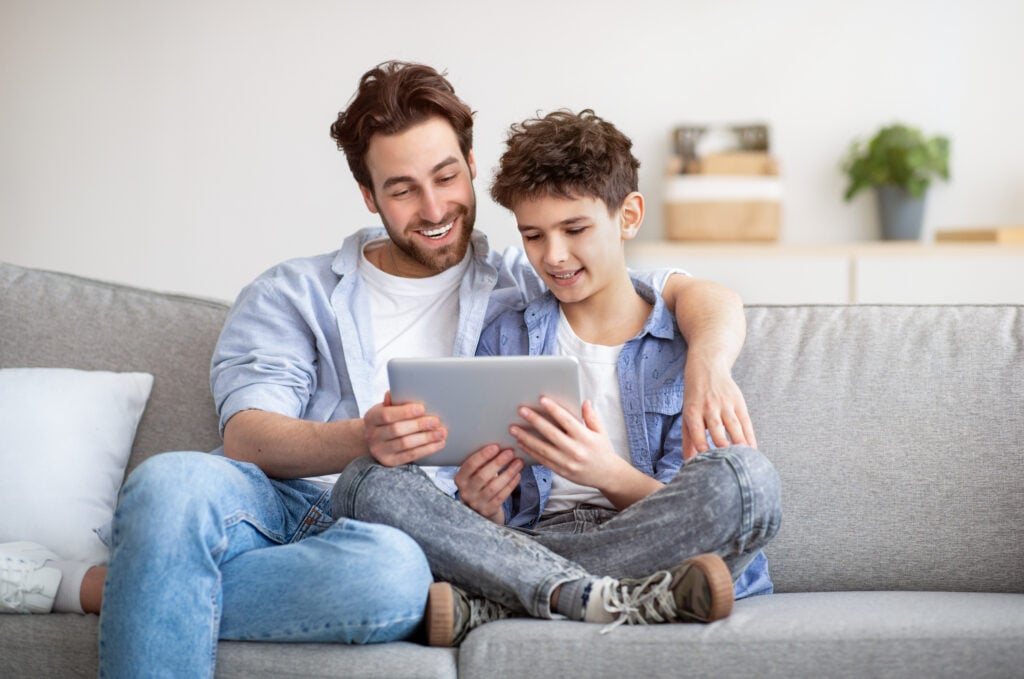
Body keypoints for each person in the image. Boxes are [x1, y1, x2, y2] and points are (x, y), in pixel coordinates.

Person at [3, 61, 757, 673]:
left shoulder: (528, 283)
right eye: (401, 188)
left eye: (445, 176)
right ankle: (127, 579)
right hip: (281, 505)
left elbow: (690, 296)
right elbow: (247, 436)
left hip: (409, 543)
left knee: (395, 577)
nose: (432, 207)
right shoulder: (292, 290)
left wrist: (709, 366)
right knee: (169, 479)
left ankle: (106, 585)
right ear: (369, 194)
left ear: (469, 166)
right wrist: (360, 437)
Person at [329, 107, 781, 642]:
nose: (555, 256)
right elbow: (483, 522)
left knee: (746, 481)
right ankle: (599, 596)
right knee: (365, 481)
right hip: (532, 543)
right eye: (534, 236)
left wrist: (605, 472)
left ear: (628, 216)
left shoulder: (683, 339)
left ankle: (518, 598)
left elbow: (686, 505)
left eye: (575, 229)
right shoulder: (503, 336)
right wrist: (482, 508)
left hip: (641, 539)